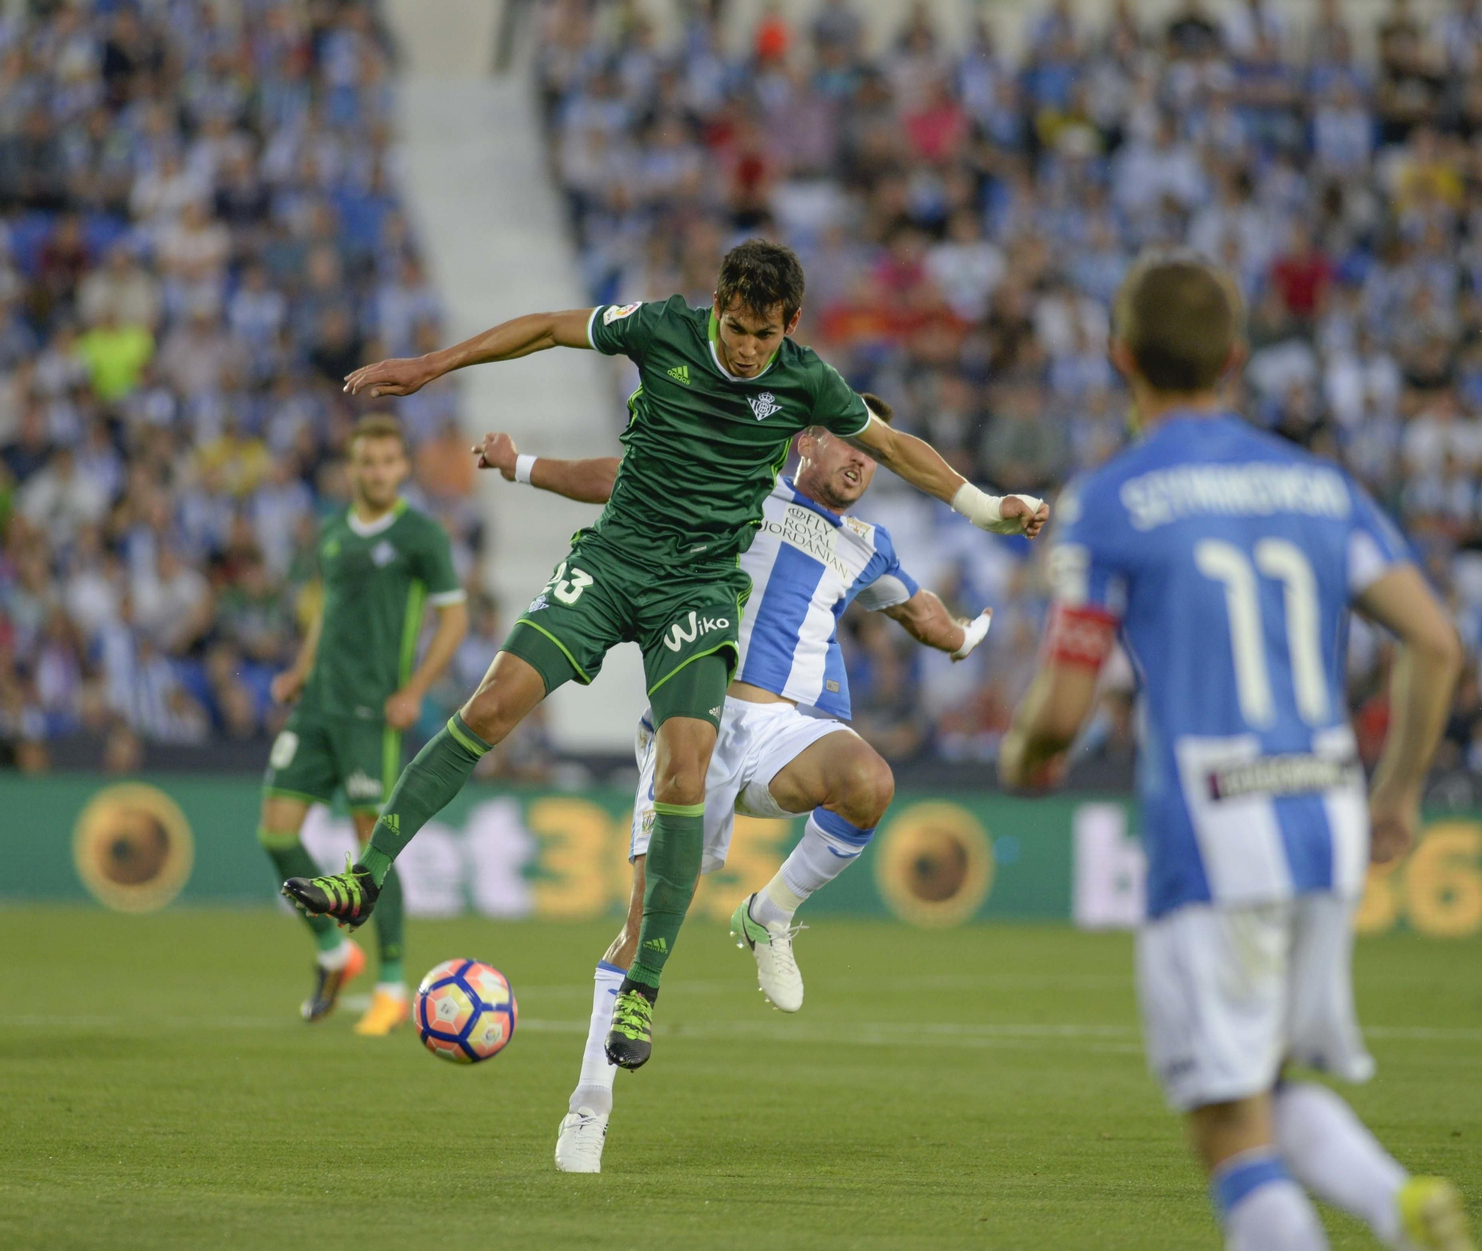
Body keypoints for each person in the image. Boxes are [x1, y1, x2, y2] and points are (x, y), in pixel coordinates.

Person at [284, 240, 1047, 1071]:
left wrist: (984, 507)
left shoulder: (809, 384)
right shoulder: (664, 330)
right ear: (715, 304)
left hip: (696, 593)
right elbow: (546, 327)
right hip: (612, 563)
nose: (743, 345)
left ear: (788, 327)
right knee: (491, 705)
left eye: (761, 333)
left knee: (686, 772)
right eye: (733, 324)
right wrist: (433, 366)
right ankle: (365, 877)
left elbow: (898, 448)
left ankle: (643, 988)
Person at [1000, 254, 1473, 1251]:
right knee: (1258, 1083)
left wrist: (1027, 758)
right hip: (1326, 815)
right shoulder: (1320, 486)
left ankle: (1388, 1209)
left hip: (1214, 826)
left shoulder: (1110, 499)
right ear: (1235, 358)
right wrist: (1395, 797)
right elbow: (1433, 642)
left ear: (1118, 356)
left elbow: (1064, 704)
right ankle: (1394, 1204)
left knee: (1222, 1122)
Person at [475, 393, 993, 1172]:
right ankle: (589, 1106)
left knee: (868, 778)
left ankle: (770, 912)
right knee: (651, 921)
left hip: (786, 730)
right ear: (805, 442)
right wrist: (521, 465)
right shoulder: (743, 485)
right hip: (695, 720)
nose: (862, 458)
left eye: (874, 452)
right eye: (849, 441)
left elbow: (924, 615)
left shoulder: (869, 544)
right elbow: (625, 478)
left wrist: (965, 636)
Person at [260, 413, 468, 1032]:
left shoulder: (421, 536)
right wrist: (300, 670)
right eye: (366, 461)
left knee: (370, 853)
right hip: (318, 705)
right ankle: (334, 952)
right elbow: (328, 612)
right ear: (351, 467)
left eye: (386, 461)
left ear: (403, 467)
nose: (376, 471)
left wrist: (414, 690)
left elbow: (452, 620)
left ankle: (393, 983)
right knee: (275, 834)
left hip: (369, 715)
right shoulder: (332, 534)